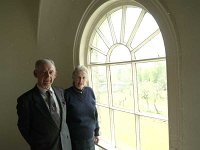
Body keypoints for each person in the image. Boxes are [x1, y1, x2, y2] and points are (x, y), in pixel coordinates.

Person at [16, 59, 72, 150]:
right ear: (35, 73)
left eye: (51, 72)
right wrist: (38, 144)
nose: (48, 76)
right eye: (43, 72)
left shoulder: (61, 92)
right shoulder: (25, 100)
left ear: (55, 74)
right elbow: (24, 128)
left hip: (66, 146)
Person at [64, 65, 100, 150]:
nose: (81, 81)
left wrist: (97, 132)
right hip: (75, 141)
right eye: (78, 77)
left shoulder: (90, 91)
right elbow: (64, 119)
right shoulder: (66, 94)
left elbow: (95, 113)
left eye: (84, 78)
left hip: (90, 138)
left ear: (86, 79)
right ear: (73, 78)